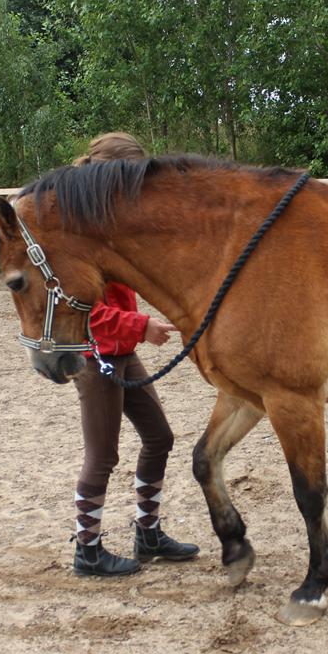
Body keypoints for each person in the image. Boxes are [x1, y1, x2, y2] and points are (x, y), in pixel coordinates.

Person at [69, 132, 199, 576]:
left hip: (121, 351)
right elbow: (83, 311)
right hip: (97, 358)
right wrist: (141, 327)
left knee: (160, 436)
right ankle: (87, 550)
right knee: (102, 457)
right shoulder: (80, 235)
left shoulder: (109, 225)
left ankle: (148, 533)